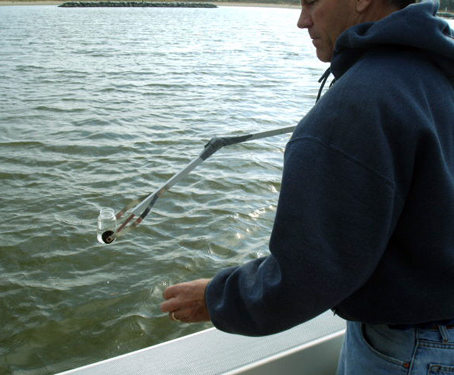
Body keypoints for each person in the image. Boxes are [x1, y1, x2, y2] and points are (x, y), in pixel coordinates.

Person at [161, 0, 454, 373]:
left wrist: (214, 298)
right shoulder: (437, 70)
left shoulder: (358, 105)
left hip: (412, 349)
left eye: (311, 1)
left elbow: (306, 275)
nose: (302, 21)